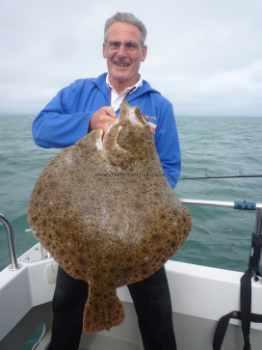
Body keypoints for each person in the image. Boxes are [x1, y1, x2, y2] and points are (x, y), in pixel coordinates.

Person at [32, 12, 181, 350]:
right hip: (81, 224)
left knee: (157, 312)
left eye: (131, 45)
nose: (122, 52)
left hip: (138, 232)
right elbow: (40, 129)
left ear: (144, 52)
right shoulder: (80, 92)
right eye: (115, 44)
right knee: (66, 307)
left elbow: (170, 167)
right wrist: (86, 122)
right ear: (104, 49)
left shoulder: (159, 105)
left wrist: (145, 204)